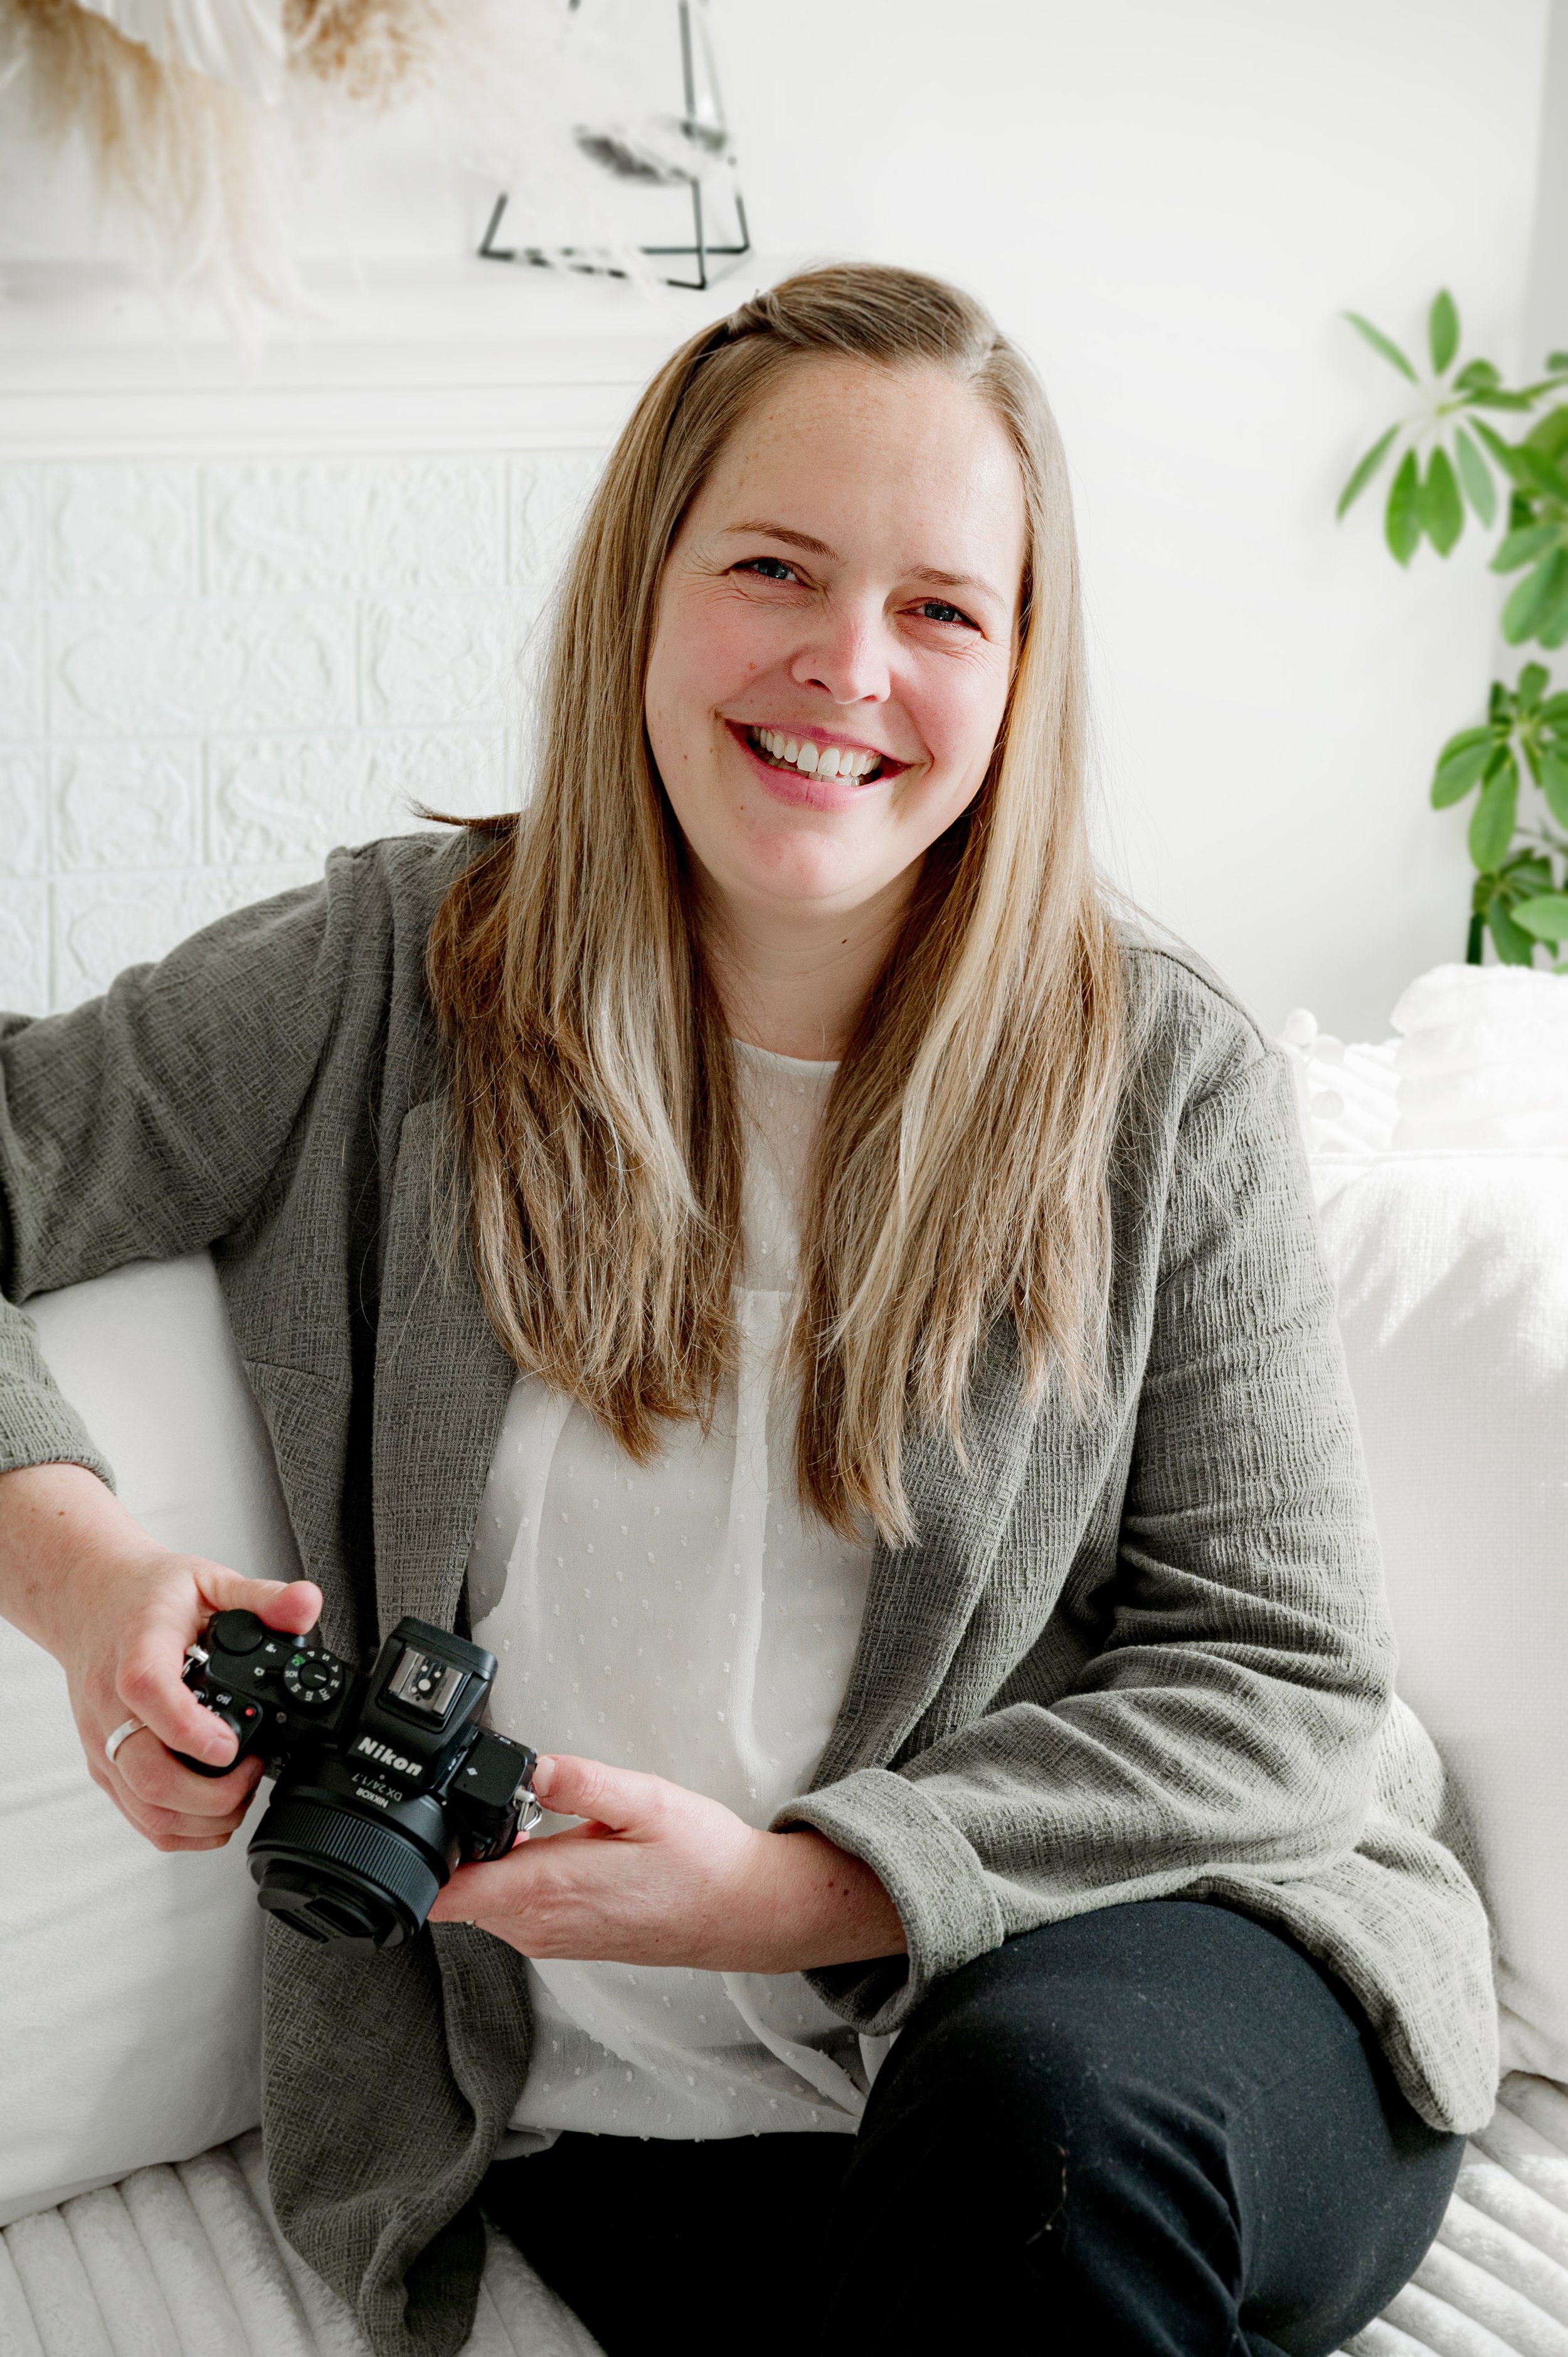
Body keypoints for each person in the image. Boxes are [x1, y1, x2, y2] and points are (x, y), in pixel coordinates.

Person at [0, 265, 1494, 2357]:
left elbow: (1284, 1677)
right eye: (774, 566)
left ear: (1020, 673)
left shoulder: (1160, 1074)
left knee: (1027, 2143)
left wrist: (806, 1890)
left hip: (1159, 1971)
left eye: (940, 611)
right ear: (642, 591)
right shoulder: (386, 979)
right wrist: (82, 1575)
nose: (845, 667)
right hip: (644, 2123)